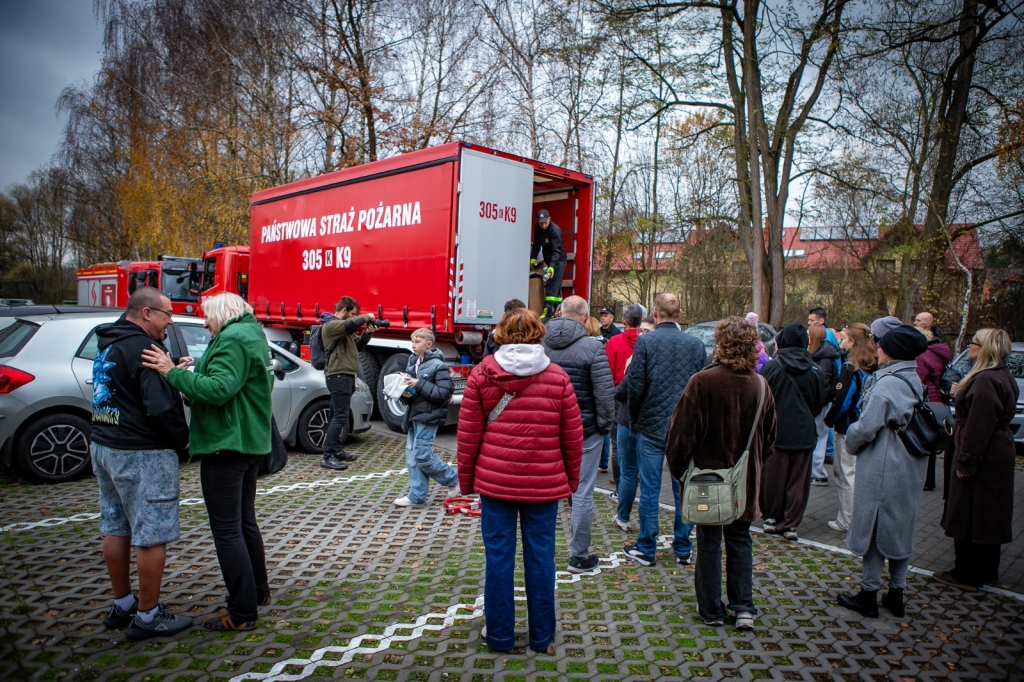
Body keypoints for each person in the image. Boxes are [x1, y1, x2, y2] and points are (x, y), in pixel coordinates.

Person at [142, 292, 273, 632]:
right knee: (244, 523)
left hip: (226, 444)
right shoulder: (250, 333)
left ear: (223, 313)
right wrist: (190, 380)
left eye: (208, 316)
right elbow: (233, 388)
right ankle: (257, 592)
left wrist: (171, 373)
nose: (205, 323)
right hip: (247, 442)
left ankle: (242, 612)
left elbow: (219, 389)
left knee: (227, 531)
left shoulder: (232, 339)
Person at [457, 308, 583, 653]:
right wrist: (570, 482)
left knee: (498, 559)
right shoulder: (557, 377)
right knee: (542, 558)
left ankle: (500, 634)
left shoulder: (482, 373)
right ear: (539, 333)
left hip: (495, 484)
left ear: (500, 333)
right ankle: (541, 636)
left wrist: (467, 482)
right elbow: (573, 437)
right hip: (544, 485)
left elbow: (467, 435)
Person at [91, 287, 192, 641]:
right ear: (147, 313)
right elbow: (160, 409)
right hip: (143, 453)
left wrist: (171, 369)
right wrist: (183, 439)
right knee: (151, 534)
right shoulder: (149, 350)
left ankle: (123, 603)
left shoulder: (110, 341)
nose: (171, 322)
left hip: (105, 444)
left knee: (116, 526)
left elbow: (124, 382)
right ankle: (147, 616)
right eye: (168, 314)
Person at [666, 317, 777, 629]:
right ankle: (743, 607)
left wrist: (681, 473)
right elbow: (770, 438)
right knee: (740, 540)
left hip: (706, 478)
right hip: (746, 480)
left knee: (709, 542)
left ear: (720, 344)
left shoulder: (702, 382)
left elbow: (680, 437)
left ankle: (711, 609)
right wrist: (754, 465)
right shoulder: (761, 385)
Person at [836, 325, 929, 618]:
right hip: (909, 464)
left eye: (881, 346)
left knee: (875, 528)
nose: (877, 349)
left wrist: (851, 440)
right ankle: (896, 593)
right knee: (901, 528)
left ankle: (869, 593)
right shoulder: (913, 378)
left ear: (890, 352)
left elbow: (867, 426)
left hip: (885, 463)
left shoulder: (888, 383)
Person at [625, 293, 707, 566]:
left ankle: (647, 547)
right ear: (680, 314)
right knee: (683, 488)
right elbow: (701, 389)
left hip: (651, 425)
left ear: (655, 313)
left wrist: (635, 417)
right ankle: (683, 547)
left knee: (649, 489)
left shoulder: (646, 342)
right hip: (684, 427)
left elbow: (636, 384)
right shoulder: (696, 345)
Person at [934, 329, 1018, 591]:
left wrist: (967, 461)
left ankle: (967, 573)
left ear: (985, 349)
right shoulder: (999, 375)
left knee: (970, 509)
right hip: (995, 451)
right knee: (987, 511)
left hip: (982, 452)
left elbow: (979, 425)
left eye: (974, 343)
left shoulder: (986, 380)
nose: (969, 346)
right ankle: (986, 568)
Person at [543, 296, 615, 573]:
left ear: (559, 313)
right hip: (585, 431)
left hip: (547, 429)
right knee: (582, 492)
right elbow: (605, 396)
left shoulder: (540, 345)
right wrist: (604, 427)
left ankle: (542, 553)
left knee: (546, 490)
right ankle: (579, 556)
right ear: (586, 317)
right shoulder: (594, 348)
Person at [759, 322, 826, 542]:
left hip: (775, 432)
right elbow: (819, 402)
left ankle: (770, 517)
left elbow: (763, 399)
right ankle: (791, 523)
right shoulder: (815, 370)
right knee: (798, 481)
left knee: (773, 478)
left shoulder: (772, 367)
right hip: (804, 432)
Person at [394, 328, 460, 506]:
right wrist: (404, 393)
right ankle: (417, 496)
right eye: (412, 341)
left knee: (422, 456)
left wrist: (419, 383)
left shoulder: (438, 366)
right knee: (412, 457)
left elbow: (444, 393)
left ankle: (454, 479)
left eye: (417, 341)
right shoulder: (413, 362)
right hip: (414, 415)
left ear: (428, 344)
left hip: (429, 417)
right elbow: (415, 392)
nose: (413, 345)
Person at [823, 323, 877, 532]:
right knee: (858, 473)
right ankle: (859, 517)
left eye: (844, 338)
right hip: (866, 425)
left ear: (852, 342)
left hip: (848, 427)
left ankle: (847, 519)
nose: (842, 341)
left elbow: (842, 401)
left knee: (845, 472)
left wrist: (829, 420)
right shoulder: (873, 364)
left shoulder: (850, 368)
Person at [319, 296, 379, 470]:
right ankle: (328, 456)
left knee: (336, 415)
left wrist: (367, 334)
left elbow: (357, 346)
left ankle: (335, 450)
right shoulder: (331, 325)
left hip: (344, 376)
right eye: (352, 314)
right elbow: (350, 324)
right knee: (340, 416)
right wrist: (367, 316)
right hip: (338, 376)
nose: (354, 317)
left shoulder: (343, 330)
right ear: (344, 310)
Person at [606, 304, 644, 489]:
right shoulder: (646, 341)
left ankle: (620, 481)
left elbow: (609, 371)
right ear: (641, 320)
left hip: (619, 394)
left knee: (617, 442)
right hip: (642, 394)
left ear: (623, 321)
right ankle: (637, 474)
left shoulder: (614, 342)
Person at [915, 326, 952, 491]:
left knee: (923, 438)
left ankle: (924, 479)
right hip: (939, 400)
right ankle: (929, 479)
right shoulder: (939, 351)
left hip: (927, 399)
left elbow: (919, 377)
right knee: (931, 439)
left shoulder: (922, 355)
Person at [809, 325, 840, 486]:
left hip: (820, 405)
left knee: (820, 437)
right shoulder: (823, 355)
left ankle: (817, 473)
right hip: (820, 403)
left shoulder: (823, 358)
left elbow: (825, 385)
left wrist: (817, 406)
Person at [529, 209, 567, 321]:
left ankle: (548, 311)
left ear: (549, 219)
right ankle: (559, 310)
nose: (543, 225)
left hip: (558, 259)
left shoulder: (555, 231)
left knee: (552, 284)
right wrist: (533, 258)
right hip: (549, 258)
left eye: (545, 222)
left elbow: (556, 251)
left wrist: (552, 267)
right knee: (557, 287)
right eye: (541, 223)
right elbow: (536, 244)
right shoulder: (538, 228)